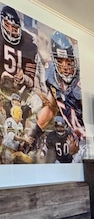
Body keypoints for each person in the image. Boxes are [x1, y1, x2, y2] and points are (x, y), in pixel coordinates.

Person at [27, 30, 84, 158]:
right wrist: (34, 134)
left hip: (83, 139)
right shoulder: (51, 76)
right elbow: (52, 107)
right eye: (60, 61)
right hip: (72, 139)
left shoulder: (81, 82)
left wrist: (80, 144)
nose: (65, 67)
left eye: (68, 61)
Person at [0, 5, 38, 99]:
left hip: (18, 92)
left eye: (14, 28)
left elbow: (31, 82)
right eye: (7, 25)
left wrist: (23, 78)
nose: (10, 31)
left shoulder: (28, 43)